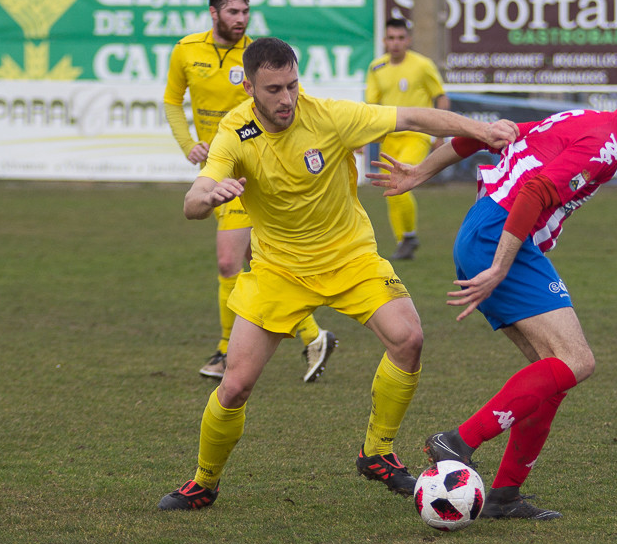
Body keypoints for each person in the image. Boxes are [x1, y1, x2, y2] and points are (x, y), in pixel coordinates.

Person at [158, 37, 518, 510]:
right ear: (248, 87)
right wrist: (208, 196)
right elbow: (193, 201)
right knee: (235, 386)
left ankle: (378, 452)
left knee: (408, 340)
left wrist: (481, 129)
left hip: (351, 258)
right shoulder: (234, 133)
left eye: (292, 84)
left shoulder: (328, 115)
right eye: (273, 89)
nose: (286, 98)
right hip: (279, 271)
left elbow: (409, 116)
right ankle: (204, 482)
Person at [368, 70, 617, 519]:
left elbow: (492, 137)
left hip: (487, 231)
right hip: (500, 236)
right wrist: (500, 265)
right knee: (577, 361)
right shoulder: (604, 144)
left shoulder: (585, 120)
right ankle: (459, 440)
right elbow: (535, 190)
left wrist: (421, 172)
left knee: (552, 373)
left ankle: (505, 493)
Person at [164, 0, 336, 383]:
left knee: (228, 261)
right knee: (252, 260)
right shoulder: (187, 51)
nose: (241, 19)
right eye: (232, 11)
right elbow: (173, 100)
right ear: (213, 13)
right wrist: (188, 143)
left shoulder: (259, 56)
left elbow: (289, 104)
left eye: (245, 11)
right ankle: (313, 335)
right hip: (218, 169)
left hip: (254, 171)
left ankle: (226, 351)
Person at [364, 17, 449, 261]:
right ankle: (405, 240)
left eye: (400, 38)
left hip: (416, 136)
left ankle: (408, 237)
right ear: (384, 41)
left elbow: (440, 97)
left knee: (399, 180)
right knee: (391, 189)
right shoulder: (377, 68)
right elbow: (371, 105)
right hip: (389, 138)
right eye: (391, 38)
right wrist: (361, 137)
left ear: (408, 40)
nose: (396, 43)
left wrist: (439, 133)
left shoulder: (422, 65)